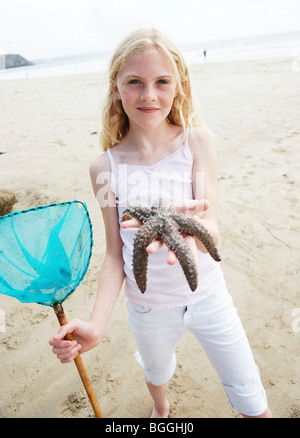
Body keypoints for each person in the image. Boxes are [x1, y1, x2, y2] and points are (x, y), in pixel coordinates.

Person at [49, 28, 272, 418]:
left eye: (161, 82)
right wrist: (97, 325)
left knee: (248, 390)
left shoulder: (198, 142)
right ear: (116, 87)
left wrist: (191, 232)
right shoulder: (104, 168)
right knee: (156, 370)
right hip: (148, 307)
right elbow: (116, 254)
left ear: (178, 86)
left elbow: (211, 231)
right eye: (134, 81)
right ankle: (161, 405)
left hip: (209, 296)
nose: (149, 94)